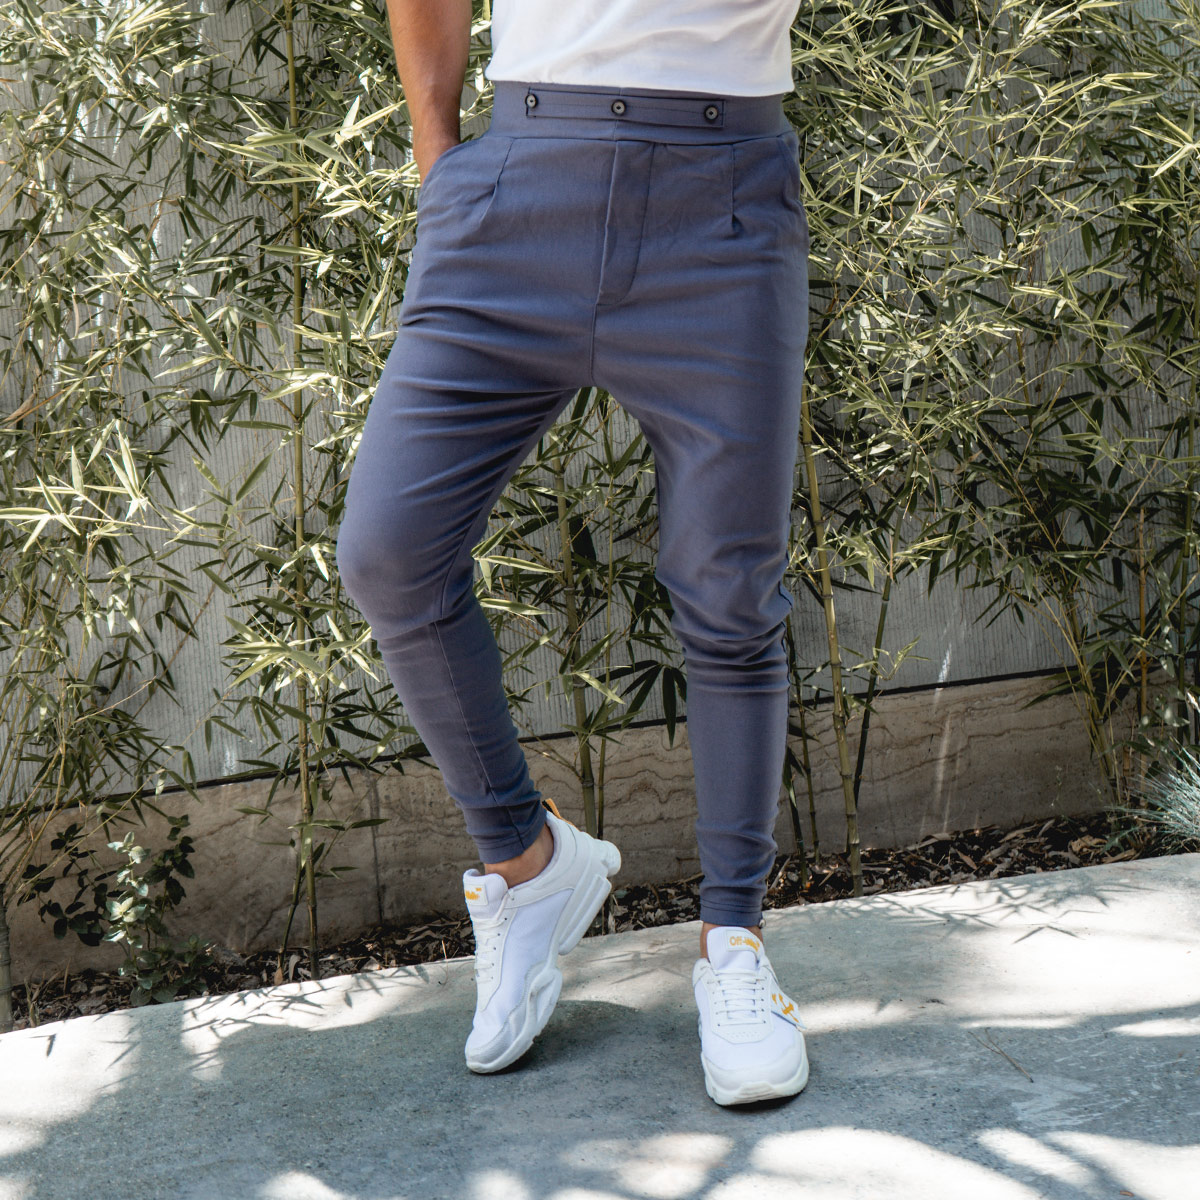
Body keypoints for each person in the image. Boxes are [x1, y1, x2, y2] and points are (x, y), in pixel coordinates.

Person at [335, 0, 811, 1106]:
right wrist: (440, 161)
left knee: (728, 591)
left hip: (722, 200)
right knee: (389, 552)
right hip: (514, 193)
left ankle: (733, 945)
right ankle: (527, 862)